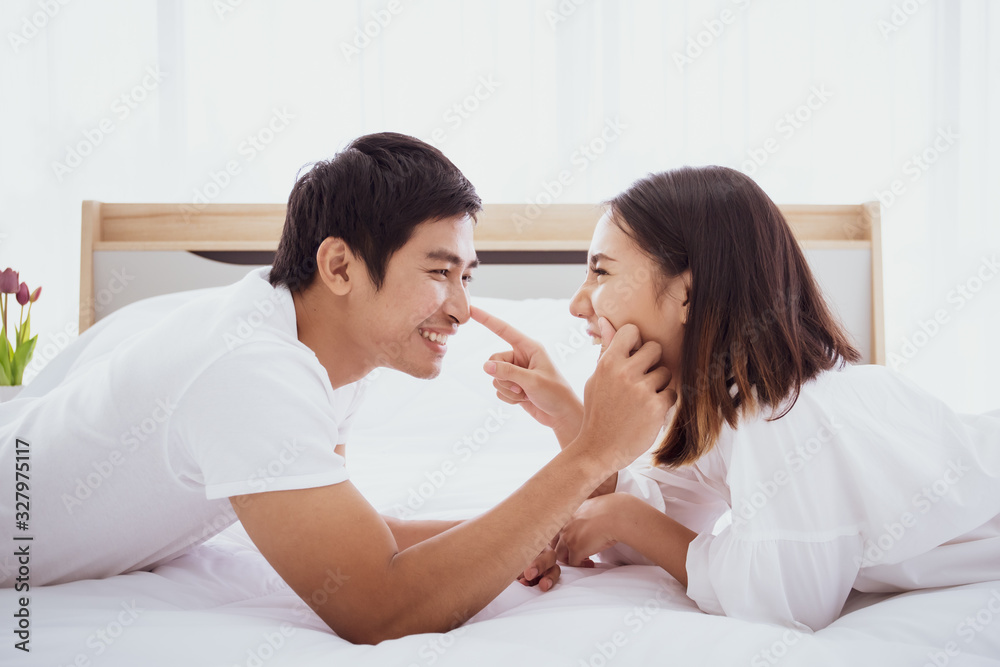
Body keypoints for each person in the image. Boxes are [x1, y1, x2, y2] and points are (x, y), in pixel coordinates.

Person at [0, 133, 675, 644]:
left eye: (467, 276)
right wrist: (586, 455)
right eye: (440, 272)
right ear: (339, 265)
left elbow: (360, 538)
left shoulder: (315, 348)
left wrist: (537, 535)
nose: (462, 308)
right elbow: (376, 605)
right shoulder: (250, 369)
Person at [480, 165, 1000, 631]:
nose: (577, 304)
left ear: (687, 292)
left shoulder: (778, 413)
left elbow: (787, 599)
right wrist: (570, 420)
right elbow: (670, 523)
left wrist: (623, 518)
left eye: (601, 271)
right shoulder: (724, 402)